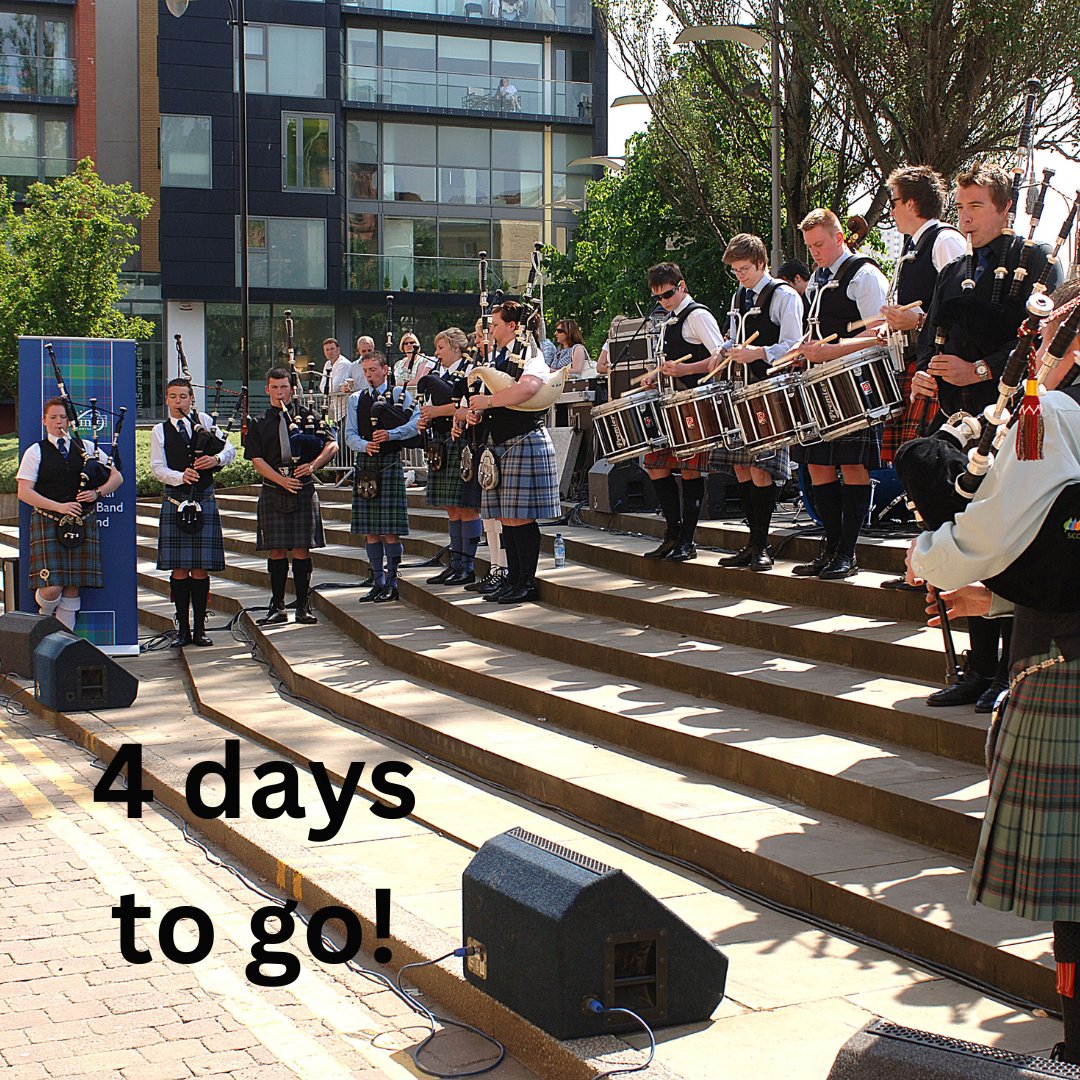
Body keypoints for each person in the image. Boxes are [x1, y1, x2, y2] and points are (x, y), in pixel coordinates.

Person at [908, 282, 1080, 1064]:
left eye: (1046, 337)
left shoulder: (1059, 417)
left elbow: (997, 526)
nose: (1034, 351)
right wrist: (1003, 593)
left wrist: (930, 557)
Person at [911, 161, 1063, 710]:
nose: (966, 217)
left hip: (1015, 423)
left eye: (977, 206)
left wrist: (977, 372)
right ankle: (976, 670)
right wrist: (929, 371)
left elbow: (1046, 342)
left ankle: (1007, 670)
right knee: (963, 534)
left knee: (1008, 542)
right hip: (958, 424)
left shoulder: (1036, 262)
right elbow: (931, 338)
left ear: (1003, 207)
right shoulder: (953, 272)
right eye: (961, 206)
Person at [876, 165, 965, 591]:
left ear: (911, 202)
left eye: (893, 202)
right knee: (917, 467)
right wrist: (894, 324)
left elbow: (961, 308)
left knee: (934, 467)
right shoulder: (913, 247)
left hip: (941, 370)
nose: (890, 210)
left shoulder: (944, 239)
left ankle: (944, 570)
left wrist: (918, 318)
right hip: (916, 365)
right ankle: (926, 567)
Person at [790, 208, 889, 580]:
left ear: (838, 238)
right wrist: (805, 349)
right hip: (819, 384)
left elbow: (880, 333)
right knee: (816, 465)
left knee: (852, 465)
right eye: (810, 246)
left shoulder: (864, 275)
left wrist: (830, 350)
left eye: (819, 244)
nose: (814, 252)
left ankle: (848, 552)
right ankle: (830, 547)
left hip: (854, 383)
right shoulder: (817, 278)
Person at [713, 234, 805, 571]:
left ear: (762, 263)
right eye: (735, 271)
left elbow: (795, 346)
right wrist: (725, 350)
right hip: (740, 390)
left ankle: (763, 545)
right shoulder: (739, 295)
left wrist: (759, 353)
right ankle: (752, 543)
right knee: (740, 467)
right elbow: (734, 336)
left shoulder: (784, 296)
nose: (740, 276)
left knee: (761, 470)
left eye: (745, 269)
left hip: (769, 392)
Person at [467, 300, 560, 603]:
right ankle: (513, 579)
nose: (490, 331)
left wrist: (488, 403)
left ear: (513, 326)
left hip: (524, 439)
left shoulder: (531, 354)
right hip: (502, 442)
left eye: (495, 325)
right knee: (507, 517)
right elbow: (495, 395)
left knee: (520, 517)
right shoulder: (499, 358)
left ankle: (526, 581)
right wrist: (477, 412)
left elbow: (529, 389)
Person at [639, 262, 725, 562]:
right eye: (659, 298)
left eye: (668, 294)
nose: (664, 301)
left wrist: (686, 368)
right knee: (655, 465)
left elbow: (720, 356)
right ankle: (673, 533)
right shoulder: (670, 320)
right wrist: (656, 375)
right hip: (670, 402)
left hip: (694, 402)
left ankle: (687, 540)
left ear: (682, 285)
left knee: (690, 470)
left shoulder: (698, 315)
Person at [18, 397, 124, 630]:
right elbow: (24, 492)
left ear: (70, 420)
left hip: (81, 522)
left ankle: (66, 642)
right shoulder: (36, 451)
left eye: (63, 417)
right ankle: (44, 622)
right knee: (51, 587)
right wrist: (59, 506)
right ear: (44, 421)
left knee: (72, 586)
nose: (59, 422)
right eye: (53, 418)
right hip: (49, 520)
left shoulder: (85, 447)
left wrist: (98, 493)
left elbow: (117, 477)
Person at [245, 367, 338, 625]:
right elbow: (256, 459)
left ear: (292, 389)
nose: (279, 393)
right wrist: (281, 480)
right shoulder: (259, 421)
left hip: (303, 486)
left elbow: (332, 444)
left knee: (301, 549)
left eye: (283, 387)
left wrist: (313, 465)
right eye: (274, 388)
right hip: (275, 488)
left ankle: (303, 606)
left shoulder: (308, 416)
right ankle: (277, 606)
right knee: (275, 551)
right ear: (267, 390)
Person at [150, 378, 237, 646]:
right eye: (173, 397)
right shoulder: (159, 430)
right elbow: (157, 467)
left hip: (204, 499)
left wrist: (216, 459)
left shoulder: (205, 423)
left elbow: (230, 449)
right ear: (167, 400)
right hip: (176, 501)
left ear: (191, 399)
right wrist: (180, 476)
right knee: (179, 569)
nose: (178, 402)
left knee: (200, 569)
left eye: (183, 396)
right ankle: (182, 629)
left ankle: (200, 628)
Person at [345, 352, 421, 603]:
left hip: (389, 464)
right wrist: (364, 445)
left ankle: (392, 580)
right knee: (370, 531)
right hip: (366, 464)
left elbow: (416, 423)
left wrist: (392, 434)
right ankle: (377, 580)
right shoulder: (356, 399)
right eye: (365, 371)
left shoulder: (400, 395)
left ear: (385, 369)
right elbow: (350, 435)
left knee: (390, 530)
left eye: (373, 370)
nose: (368, 375)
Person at [419, 328, 483, 586]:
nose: (437, 353)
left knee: (466, 506)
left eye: (441, 348)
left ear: (456, 347)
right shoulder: (439, 374)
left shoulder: (470, 369)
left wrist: (435, 411)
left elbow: (466, 404)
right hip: (441, 442)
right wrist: (425, 420)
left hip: (462, 440)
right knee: (451, 507)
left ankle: (468, 565)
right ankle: (455, 563)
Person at [462, 317, 509, 594]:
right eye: (479, 336)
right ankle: (494, 568)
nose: (480, 340)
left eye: (485, 334)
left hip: (501, 439)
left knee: (501, 517)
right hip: (483, 440)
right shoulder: (480, 366)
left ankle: (504, 568)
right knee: (488, 515)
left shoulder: (504, 361)